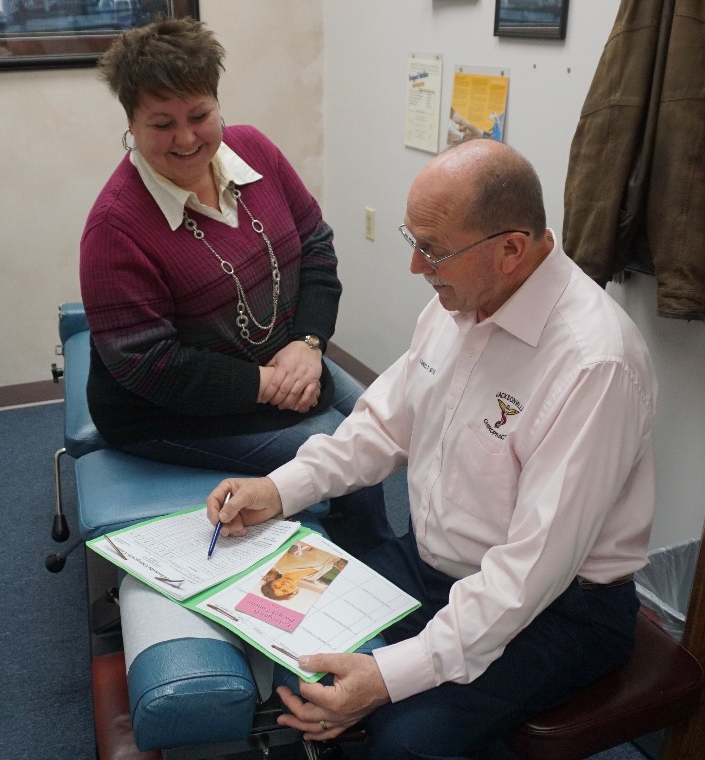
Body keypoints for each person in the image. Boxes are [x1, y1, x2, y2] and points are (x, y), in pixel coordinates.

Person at [207, 138, 658, 758]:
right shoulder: (458, 304)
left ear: (510, 250)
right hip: (433, 564)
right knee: (302, 668)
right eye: (411, 239)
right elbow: (382, 426)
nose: (417, 268)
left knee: (402, 740)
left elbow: (530, 572)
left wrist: (391, 678)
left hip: (561, 608)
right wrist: (278, 489)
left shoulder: (594, 364)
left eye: (434, 250)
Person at [80, 16, 391, 556]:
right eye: (161, 124)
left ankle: (391, 560)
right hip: (162, 409)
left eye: (199, 115)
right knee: (339, 454)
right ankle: (375, 578)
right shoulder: (114, 228)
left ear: (219, 105)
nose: (185, 138)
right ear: (129, 122)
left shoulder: (256, 150)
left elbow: (316, 246)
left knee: (381, 420)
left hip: (282, 355)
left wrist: (308, 344)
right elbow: (150, 365)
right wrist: (270, 384)